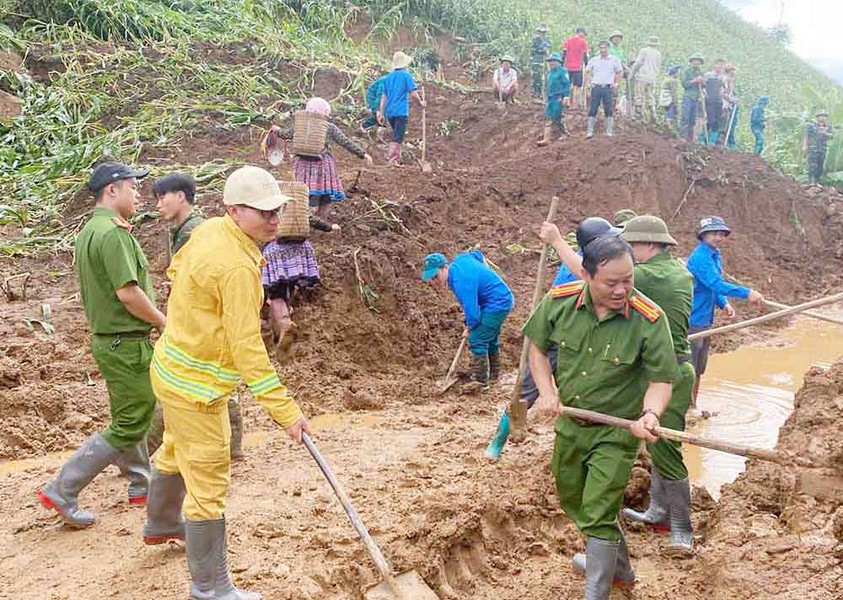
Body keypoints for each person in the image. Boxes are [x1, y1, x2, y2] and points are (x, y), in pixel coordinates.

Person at [142, 166, 310, 599]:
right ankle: (211, 587)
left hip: (170, 369)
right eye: (264, 212)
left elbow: (176, 272)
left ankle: (161, 522)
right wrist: (285, 411)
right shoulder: (236, 266)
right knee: (209, 481)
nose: (274, 220)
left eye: (277, 211)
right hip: (197, 387)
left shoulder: (212, 230)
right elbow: (247, 348)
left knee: (176, 447)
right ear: (235, 210)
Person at [525, 234, 678, 599]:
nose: (623, 290)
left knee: (597, 508)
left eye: (629, 280)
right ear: (587, 275)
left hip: (616, 432)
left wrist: (651, 414)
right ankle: (618, 569)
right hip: (570, 426)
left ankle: (599, 588)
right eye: (612, 283)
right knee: (575, 500)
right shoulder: (559, 303)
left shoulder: (649, 319)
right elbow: (538, 349)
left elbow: (661, 379)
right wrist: (546, 391)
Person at [36, 161, 164, 528]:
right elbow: (128, 293)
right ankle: (63, 489)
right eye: (133, 187)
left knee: (133, 409)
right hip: (125, 341)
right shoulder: (114, 234)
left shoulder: (91, 230)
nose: (139, 193)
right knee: (130, 419)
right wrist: (162, 320)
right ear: (112, 190)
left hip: (112, 340)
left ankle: (141, 481)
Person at [485, 217, 623, 461]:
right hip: (556, 340)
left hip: (582, 342)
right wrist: (557, 240)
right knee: (526, 392)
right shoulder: (582, 266)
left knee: (579, 394)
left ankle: (580, 445)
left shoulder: (600, 263)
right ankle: (499, 439)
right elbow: (581, 271)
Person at [147, 172, 245, 460]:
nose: (158, 205)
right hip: (200, 317)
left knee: (188, 380)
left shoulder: (194, 232)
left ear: (180, 196)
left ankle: (141, 453)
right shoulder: (184, 230)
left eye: (162, 197)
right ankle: (232, 444)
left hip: (202, 320)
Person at [617, 216, 696, 556]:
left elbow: (593, 278)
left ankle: (681, 528)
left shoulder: (651, 275)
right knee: (657, 444)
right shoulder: (677, 270)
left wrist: (559, 244)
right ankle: (660, 512)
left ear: (648, 246)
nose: (628, 254)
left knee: (665, 447)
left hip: (670, 373)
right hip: (665, 367)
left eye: (630, 247)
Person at [686, 216, 764, 406]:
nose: (718, 237)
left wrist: (723, 303)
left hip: (705, 319)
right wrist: (747, 293)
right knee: (689, 368)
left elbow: (710, 286)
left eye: (721, 234)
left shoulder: (715, 254)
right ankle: (684, 408)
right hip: (693, 318)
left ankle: (693, 405)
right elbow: (715, 283)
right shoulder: (700, 258)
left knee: (699, 368)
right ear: (703, 235)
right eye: (714, 234)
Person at [421, 250, 514, 388]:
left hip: (498, 302)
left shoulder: (460, 282)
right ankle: (494, 376)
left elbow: (473, 315)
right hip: (494, 298)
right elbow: (477, 254)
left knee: (477, 338)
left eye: (436, 276)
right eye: (432, 279)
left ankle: (481, 381)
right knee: (489, 336)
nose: (435, 281)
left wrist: (469, 328)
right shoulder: (459, 261)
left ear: (445, 267)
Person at [270, 97, 372, 219]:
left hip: (302, 164)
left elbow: (285, 134)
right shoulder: (329, 127)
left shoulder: (300, 126)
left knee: (303, 194)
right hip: (323, 164)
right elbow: (345, 142)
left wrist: (276, 130)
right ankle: (321, 220)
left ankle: (303, 220)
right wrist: (363, 154)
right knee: (326, 194)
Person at [261, 207, 341, 361]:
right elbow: (310, 218)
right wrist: (329, 227)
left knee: (276, 293)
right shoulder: (295, 199)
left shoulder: (270, 201)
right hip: (301, 248)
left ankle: (284, 323)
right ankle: (283, 324)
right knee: (289, 286)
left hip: (277, 250)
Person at [378, 51, 426, 166]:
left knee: (397, 134)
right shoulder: (406, 76)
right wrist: (421, 103)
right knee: (398, 136)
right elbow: (414, 94)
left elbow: (384, 96)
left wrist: (381, 112)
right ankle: (392, 160)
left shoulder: (387, 78)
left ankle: (396, 159)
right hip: (401, 111)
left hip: (390, 113)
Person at [584, 41, 623, 139]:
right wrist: (588, 82)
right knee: (593, 108)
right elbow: (587, 71)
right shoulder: (594, 60)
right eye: (601, 48)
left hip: (608, 87)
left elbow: (620, 72)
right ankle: (590, 131)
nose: (603, 50)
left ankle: (609, 131)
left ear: (608, 48)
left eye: (605, 48)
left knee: (609, 109)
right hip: (596, 87)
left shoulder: (614, 60)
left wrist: (616, 83)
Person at [536, 53, 571, 146]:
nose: (552, 63)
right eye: (550, 61)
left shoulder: (562, 72)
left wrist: (566, 96)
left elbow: (567, 84)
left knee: (555, 116)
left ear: (559, 62)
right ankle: (549, 137)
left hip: (559, 97)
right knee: (550, 117)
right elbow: (548, 87)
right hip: (551, 98)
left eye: (554, 61)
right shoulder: (550, 73)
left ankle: (558, 135)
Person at [629, 36, 662, 125]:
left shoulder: (644, 51)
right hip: (652, 78)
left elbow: (638, 63)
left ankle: (638, 117)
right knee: (650, 97)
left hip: (642, 76)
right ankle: (653, 116)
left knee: (638, 95)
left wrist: (632, 73)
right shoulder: (658, 54)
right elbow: (658, 67)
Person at [804, 110, 834, 184]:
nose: (823, 118)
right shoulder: (811, 126)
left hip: (823, 148)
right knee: (812, 165)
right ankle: (811, 181)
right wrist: (805, 146)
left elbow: (832, 136)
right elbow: (807, 136)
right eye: (821, 116)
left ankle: (818, 182)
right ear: (817, 117)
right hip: (813, 148)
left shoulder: (828, 127)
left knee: (820, 165)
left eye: (824, 116)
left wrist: (825, 133)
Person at [679, 54, 705, 142]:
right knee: (685, 116)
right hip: (688, 96)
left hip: (696, 97)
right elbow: (684, 84)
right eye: (695, 61)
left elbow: (704, 86)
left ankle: (690, 139)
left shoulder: (700, 73)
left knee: (693, 119)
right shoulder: (687, 71)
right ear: (691, 62)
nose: (696, 63)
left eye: (698, 61)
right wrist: (694, 80)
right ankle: (682, 136)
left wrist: (702, 81)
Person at [562, 27, 589, 110]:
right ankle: (574, 103)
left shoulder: (568, 41)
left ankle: (567, 102)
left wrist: (562, 64)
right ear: (581, 32)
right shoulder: (583, 42)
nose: (584, 36)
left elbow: (564, 53)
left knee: (568, 84)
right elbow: (585, 55)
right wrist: (587, 65)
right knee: (577, 86)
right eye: (584, 34)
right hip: (578, 67)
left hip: (568, 66)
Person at [703, 58, 726, 145]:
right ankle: (703, 137)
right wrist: (704, 93)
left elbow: (725, 90)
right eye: (718, 64)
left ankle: (712, 140)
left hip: (719, 101)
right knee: (710, 119)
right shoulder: (708, 75)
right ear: (714, 65)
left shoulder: (723, 78)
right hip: (709, 100)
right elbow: (703, 86)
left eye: (721, 65)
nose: (719, 67)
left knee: (717, 121)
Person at [361, 72, 388, 137]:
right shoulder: (385, 81)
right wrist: (377, 110)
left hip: (382, 98)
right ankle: (364, 126)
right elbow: (379, 96)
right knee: (378, 115)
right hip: (373, 97)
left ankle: (379, 128)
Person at [530, 23, 552, 99]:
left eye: (544, 32)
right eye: (541, 32)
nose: (543, 33)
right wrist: (542, 50)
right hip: (536, 61)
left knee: (544, 78)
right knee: (536, 77)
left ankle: (542, 95)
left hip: (544, 62)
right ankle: (535, 93)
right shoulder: (535, 40)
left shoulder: (547, 40)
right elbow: (533, 51)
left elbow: (548, 51)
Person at [721, 63, 739, 149]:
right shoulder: (725, 79)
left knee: (727, 123)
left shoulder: (730, 80)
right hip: (723, 103)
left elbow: (732, 92)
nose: (734, 72)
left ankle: (725, 141)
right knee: (723, 122)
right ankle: (720, 141)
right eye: (733, 70)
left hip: (728, 104)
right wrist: (731, 99)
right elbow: (723, 93)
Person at [661, 66, 681, 130]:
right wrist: (675, 102)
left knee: (667, 111)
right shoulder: (673, 81)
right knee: (670, 112)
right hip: (669, 99)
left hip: (664, 98)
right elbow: (673, 92)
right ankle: (668, 126)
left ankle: (664, 124)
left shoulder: (666, 79)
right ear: (675, 73)